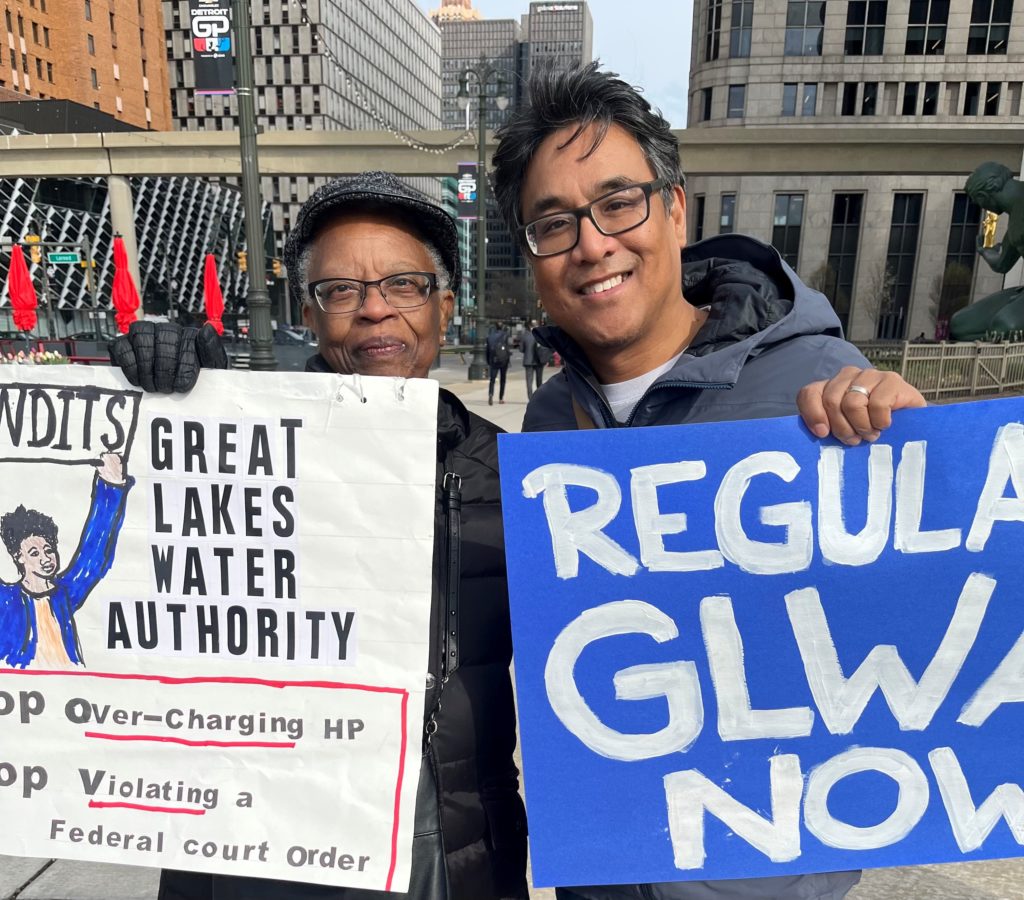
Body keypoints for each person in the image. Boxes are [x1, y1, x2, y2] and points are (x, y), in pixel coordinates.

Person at [492, 62, 925, 900]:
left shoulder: (817, 383)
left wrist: (915, 452)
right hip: (605, 877)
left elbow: (918, 621)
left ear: (675, 207)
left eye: (619, 202)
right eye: (554, 223)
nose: (592, 243)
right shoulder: (550, 421)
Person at [110, 172, 528, 900]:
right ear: (310, 312)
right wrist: (166, 413)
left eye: (404, 284)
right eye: (342, 291)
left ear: (445, 307)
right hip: (267, 851)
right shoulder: (238, 454)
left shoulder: (518, 476)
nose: (374, 311)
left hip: (452, 857)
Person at [0, 452, 132, 669]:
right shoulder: (6, 599)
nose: (45, 558)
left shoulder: (65, 594)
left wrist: (111, 485)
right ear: (18, 557)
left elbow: (94, 557)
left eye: (48, 550)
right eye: (34, 553)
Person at [519, 319, 550, 399]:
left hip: (528, 361)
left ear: (529, 326)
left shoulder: (525, 335)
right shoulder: (540, 335)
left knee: (529, 381)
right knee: (539, 380)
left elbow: (521, 349)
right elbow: (546, 348)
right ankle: (538, 397)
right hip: (539, 360)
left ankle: (530, 398)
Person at [486, 321, 512, 405]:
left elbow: (487, 350)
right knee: (503, 379)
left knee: (492, 379)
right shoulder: (505, 335)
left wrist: (488, 361)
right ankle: (501, 398)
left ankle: (490, 394)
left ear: (495, 327)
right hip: (503, 360)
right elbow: (508, 348)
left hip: (493, 360)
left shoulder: (490, 336)